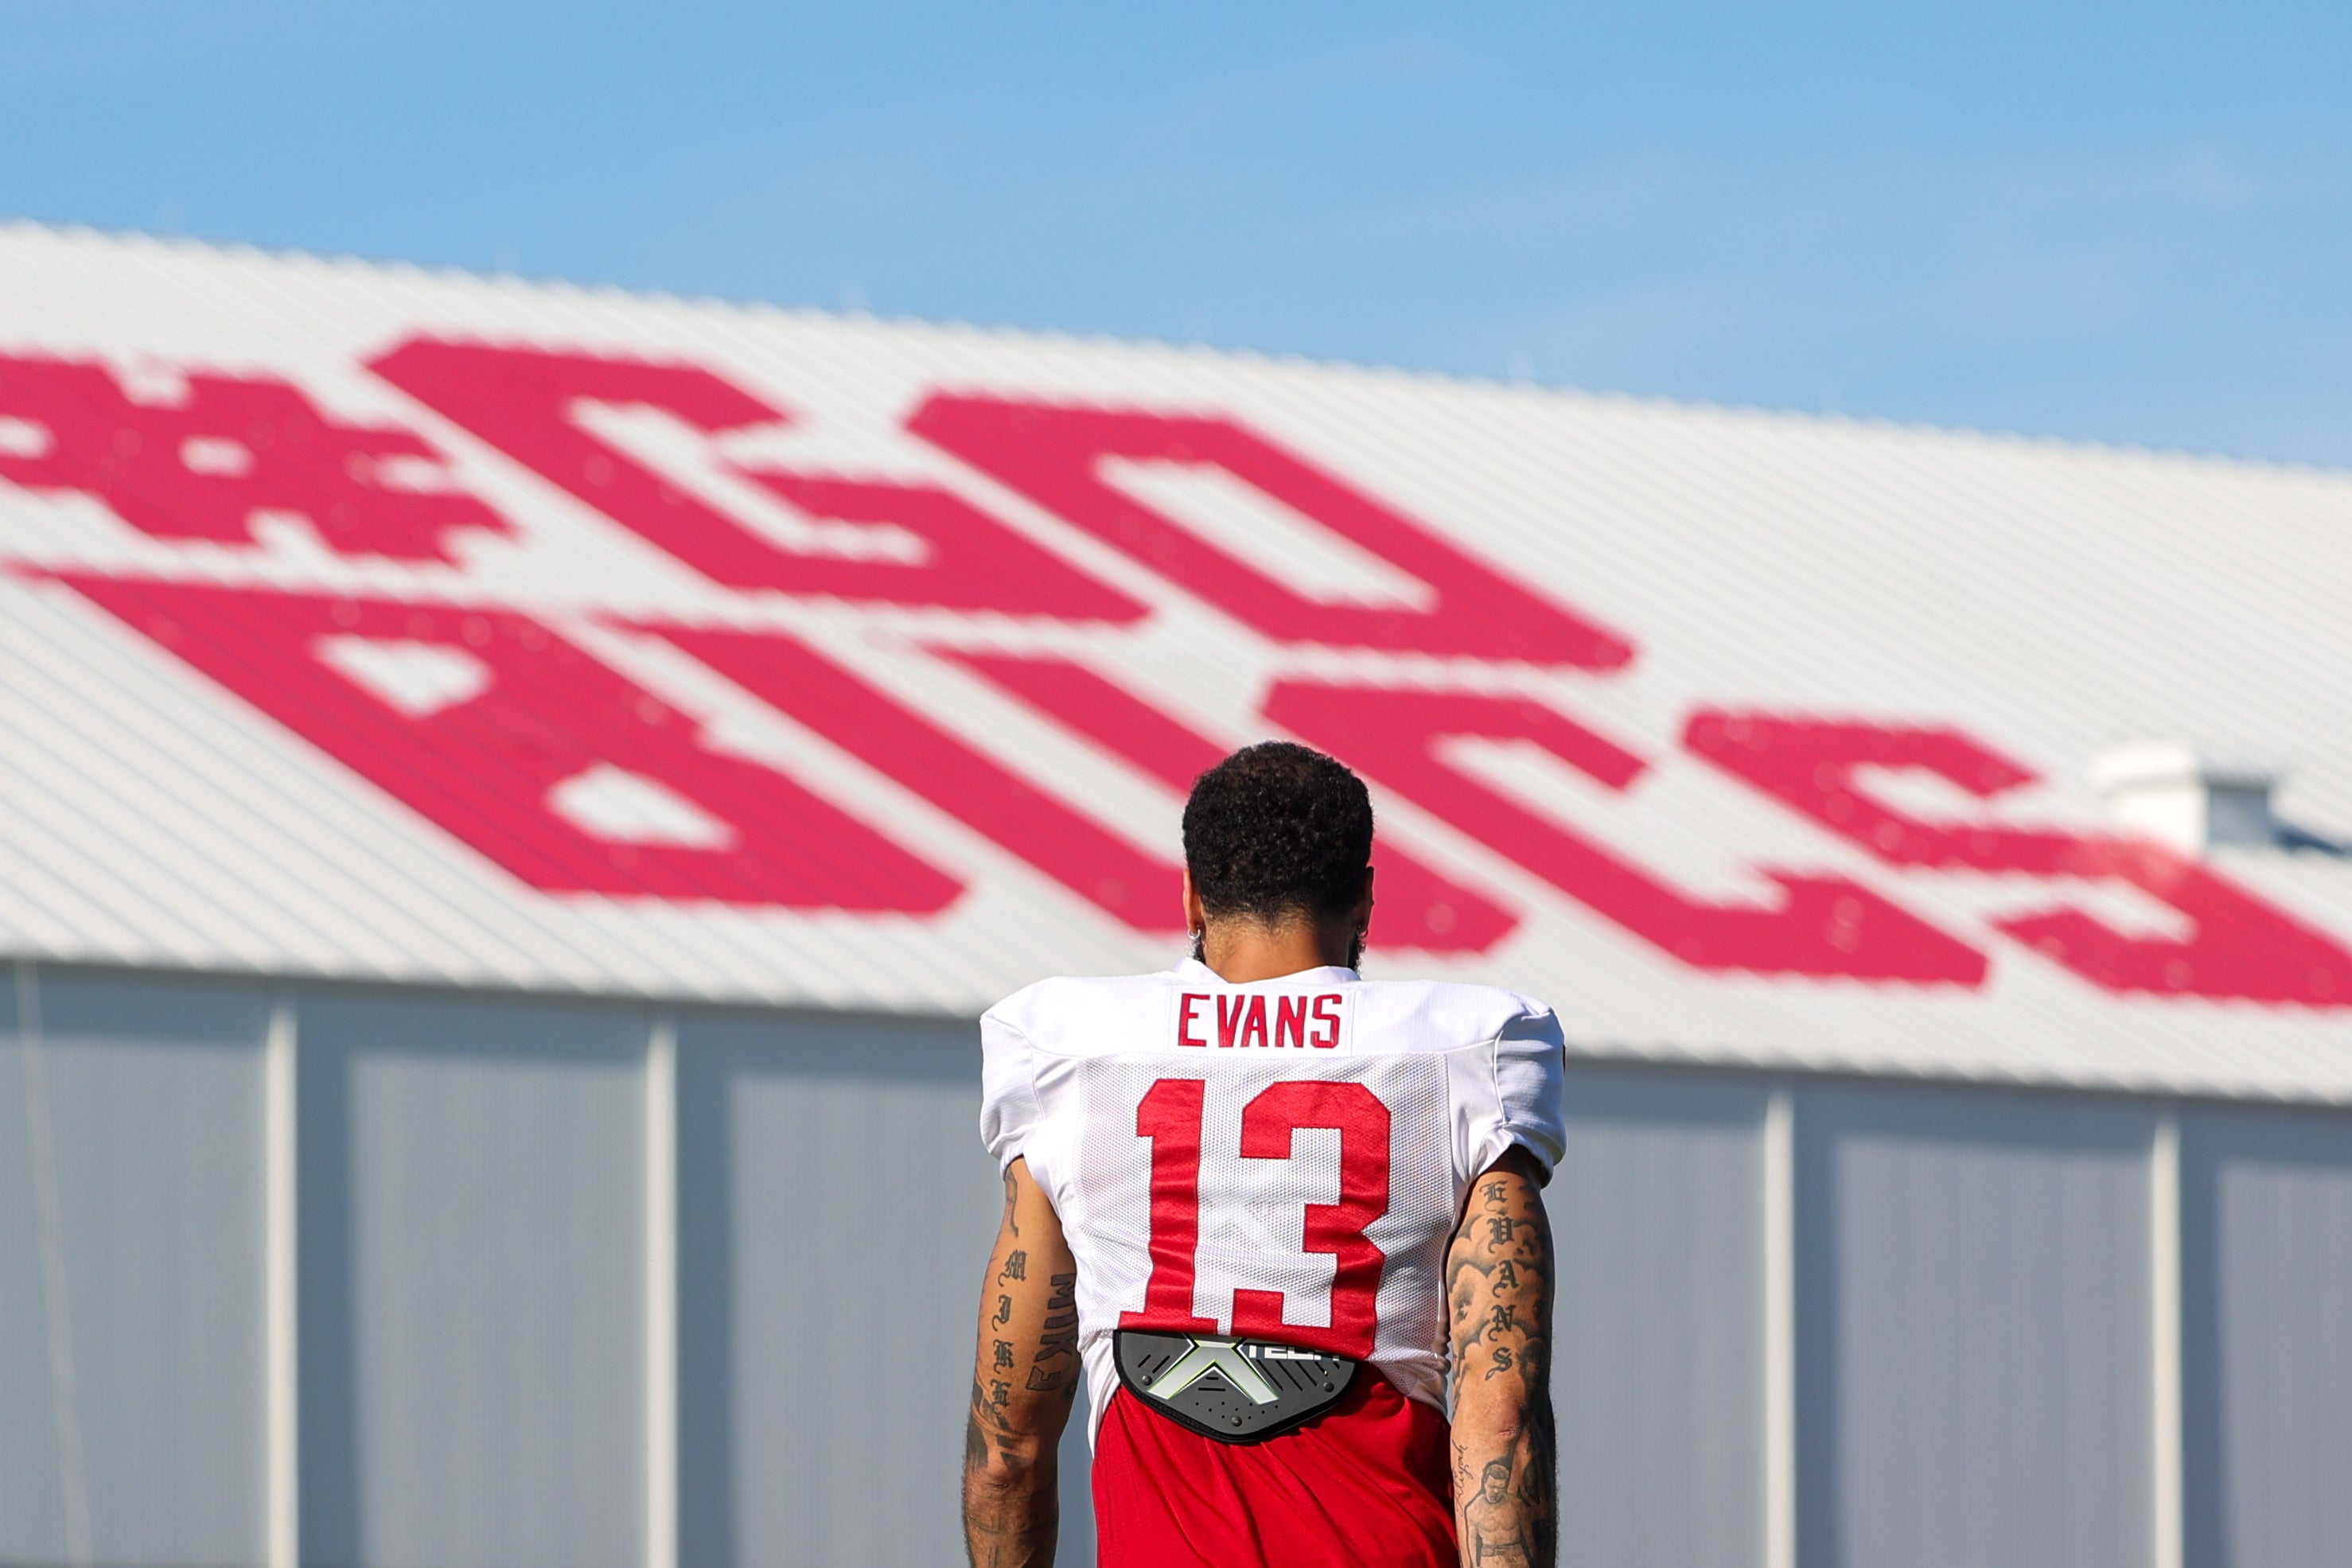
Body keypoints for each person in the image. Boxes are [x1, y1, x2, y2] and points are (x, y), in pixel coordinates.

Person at [963, 741, 1563, 1568]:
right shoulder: (1465, 1052)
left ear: (1192, 896)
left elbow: (1009, 1453)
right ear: (1364, 896)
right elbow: (1503, 1422)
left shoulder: (1068, 1053)